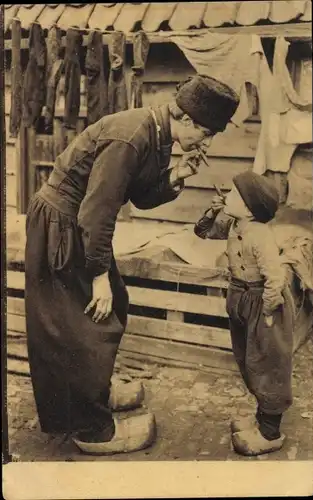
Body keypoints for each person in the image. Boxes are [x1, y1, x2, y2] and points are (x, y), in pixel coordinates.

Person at [25, 74, 239, 455]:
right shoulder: (131, 136)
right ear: (186, 118)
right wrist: (98, 276)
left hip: (78, 225)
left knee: (109, 309)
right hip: (63, 224)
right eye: (206, 132)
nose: (207, 142)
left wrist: (176, 174)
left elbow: (138, 197)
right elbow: (98, 213)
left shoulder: (158, 133)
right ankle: (92, 430)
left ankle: (96, 392)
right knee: (83, 325)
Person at [194, 171, 295, 456]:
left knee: (268, 363)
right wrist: (213, 212)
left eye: (234, 194)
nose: (227, 195)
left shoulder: (260, 235)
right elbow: (202, 232)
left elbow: (275, 277)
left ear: (250, 209)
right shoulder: (234, 225)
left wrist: (268, 311)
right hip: (240, 298)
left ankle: (270, 432)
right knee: (248, 360)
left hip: (263, 302)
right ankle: (261, 418)